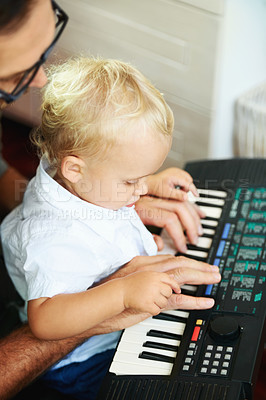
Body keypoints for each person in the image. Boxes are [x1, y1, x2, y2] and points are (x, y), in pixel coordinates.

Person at [0, 1, 220, 398]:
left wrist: (142, 179)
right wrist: (120, 293)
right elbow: (45, 323)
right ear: (75, 169)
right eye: (130, 180)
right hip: (81, 361)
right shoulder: (51, 237)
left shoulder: (76, 176)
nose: (140, 190)